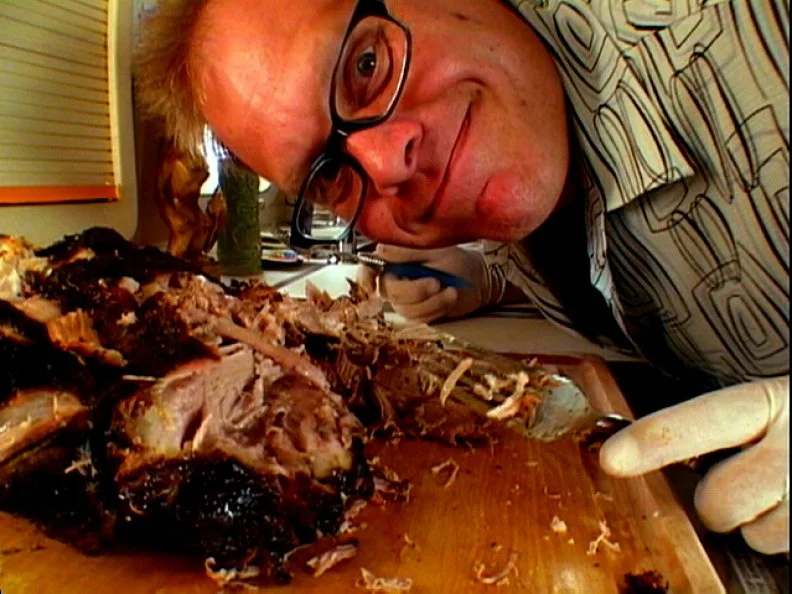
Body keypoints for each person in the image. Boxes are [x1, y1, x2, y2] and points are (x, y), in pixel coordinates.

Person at [134, 0, 789, 555]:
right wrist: (488, 278)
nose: (387, 163)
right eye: (330, 174)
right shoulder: (507, 164)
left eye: (367, 66)